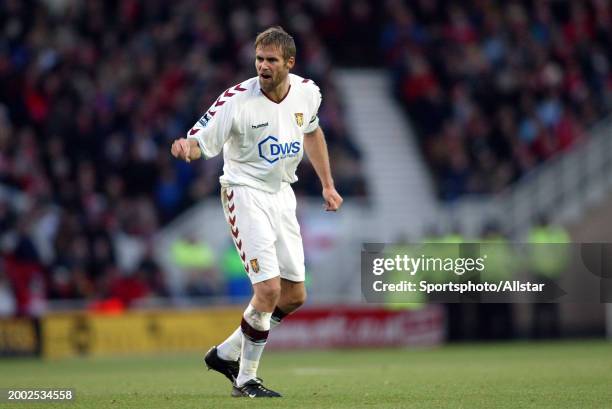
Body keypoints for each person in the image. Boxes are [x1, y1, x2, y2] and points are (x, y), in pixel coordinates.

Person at [170, 26, 343, 398]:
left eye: (271, 60)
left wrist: (328, 184)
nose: (263, 66)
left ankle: (226, 352)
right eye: (259, 59)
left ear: (289, 63)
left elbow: (312, 132)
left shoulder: (308, 93)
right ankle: (246, 378)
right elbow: (201, 141)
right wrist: (187, 148)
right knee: (267, 290)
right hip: (244, 193)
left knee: (295, 295)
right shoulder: (236, 100)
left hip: (282, 194)